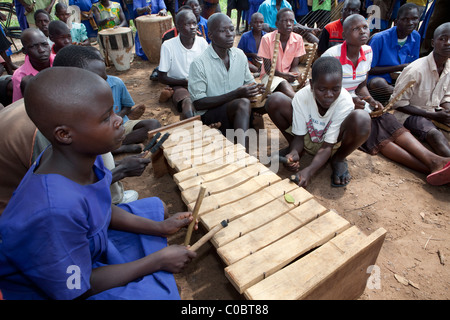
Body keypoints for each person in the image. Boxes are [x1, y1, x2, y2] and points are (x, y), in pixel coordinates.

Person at [0, 67, 197, 300]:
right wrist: (157, 261)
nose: (118, 122)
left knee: (155, 209)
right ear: (64, 134)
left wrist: (160, 227)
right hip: (63, 286)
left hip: (83, 246)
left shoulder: (81, 158)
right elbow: (77, 287)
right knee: (161, 296)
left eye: (114, 112)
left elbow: (100, 204)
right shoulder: (54, 211)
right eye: (106, 118)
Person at [323, 14, 450, 185]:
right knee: (374, 129)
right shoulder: (331, 56)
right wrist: (350, 102)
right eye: (355, 29)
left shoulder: (367, 52)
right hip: (333, 103)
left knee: (387, 119)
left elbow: (361, 84)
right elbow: (322, 92)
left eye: (365, 27)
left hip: (357, 102)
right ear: (344, 35)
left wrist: (369, 98)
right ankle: (431, 165)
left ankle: (435, 161)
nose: (362, 31)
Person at [265, 56, 371, 187]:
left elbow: (327, 146)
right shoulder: (302, 97)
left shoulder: (345, 101)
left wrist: (309, 171)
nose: (329, 95)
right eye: (322, 89)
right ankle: (299, 151)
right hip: (306, 138)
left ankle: (338, 159)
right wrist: (294, 151)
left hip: (332, 144)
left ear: (341, 85)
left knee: (362, 118)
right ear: (311, 84)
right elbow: (299, 137)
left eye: (335, 89)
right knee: (275, 100)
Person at [188, 13, 265, 149]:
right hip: (211, 116)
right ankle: (243, 153)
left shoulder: (239, 55)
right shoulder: (199, 63)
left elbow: (249, 83)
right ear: (211, 35)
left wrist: (257, 89)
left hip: (236, 111)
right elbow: (199, 104)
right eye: (223, 31)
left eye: (231, 29)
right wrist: (236, 94)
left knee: (274, 99)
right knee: (242, 103)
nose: (230, 34)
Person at [392, 22, 450, 160]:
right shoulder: (416, 70)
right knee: (435, 135)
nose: (448, 43)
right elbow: (398, 104)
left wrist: (447, 110)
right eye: (442, 38)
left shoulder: (448, 67)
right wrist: (434, 116)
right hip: (408, 115)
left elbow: (446, 96)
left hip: (433, 112)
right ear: (432, 43)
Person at [158, 9, 208, 120]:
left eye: (194, 23)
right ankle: (192, 123)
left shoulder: (202, 43)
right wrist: (184, 82)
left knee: (208, 98)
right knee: (187, 101)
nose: (192, 27)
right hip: (178, 85)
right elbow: (162, 77)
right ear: (178, 26)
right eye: (187, 24)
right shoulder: (168, 45)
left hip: (200, 83)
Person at [368, 3, 421, 104]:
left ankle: (402, 100)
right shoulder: (379, 39)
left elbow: (414, 65)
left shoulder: (416, 36)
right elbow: (369, 69)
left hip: (402, 79)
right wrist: (399, 67)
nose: (410, 23)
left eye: (415, 18)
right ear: (396, 22)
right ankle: (402, 101)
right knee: (378, 83)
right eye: (405, 19)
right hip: (380, 78)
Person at [258, 8, 305, 99]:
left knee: (307, 84)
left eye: (291, 21)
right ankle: (298, 103)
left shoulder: (298, 39)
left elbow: (294, 67)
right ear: (277, 24)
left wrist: (298, 76)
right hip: (269, 76)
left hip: (287, 76)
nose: (289, 24)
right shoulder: (267, 39)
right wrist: (284, 76)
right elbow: (268, 69)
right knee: (283, 83)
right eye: (285, 21)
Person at [11, 28, 55, 102]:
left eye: (44, 44)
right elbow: (18, 105)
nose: (41, 50)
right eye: (33, 46)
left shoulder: (62, 61)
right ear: (24, 51)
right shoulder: (20, 76)